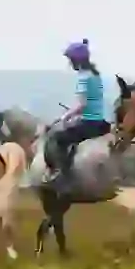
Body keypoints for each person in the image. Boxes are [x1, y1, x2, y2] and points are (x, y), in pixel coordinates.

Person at [45, 39, 110, 193]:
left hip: (89, 123)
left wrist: (65, 116)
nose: (69, 64)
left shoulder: (83, 77)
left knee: (56, 138)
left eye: (70, 60)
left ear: (76, 61)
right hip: (100, 122)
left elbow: (81, 105)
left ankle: (62, 176)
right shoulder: (95, 75)